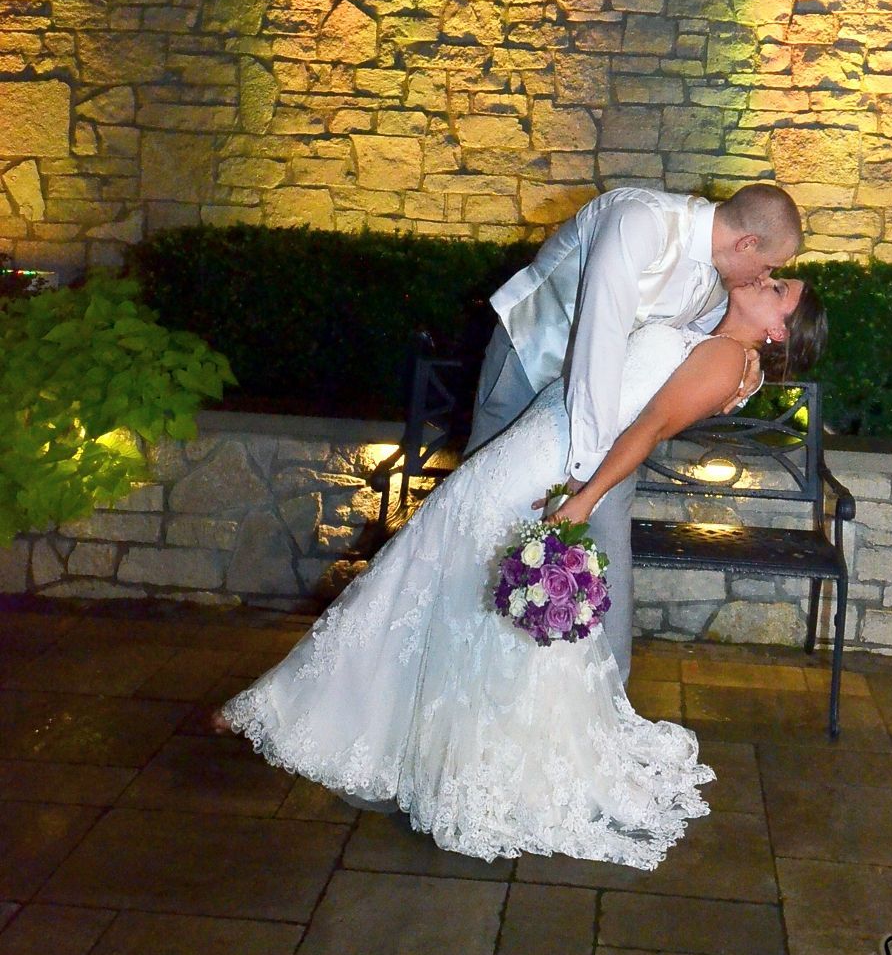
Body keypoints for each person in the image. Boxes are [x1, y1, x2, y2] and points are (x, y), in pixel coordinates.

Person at [214, 275, 827, 871]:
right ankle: (329, 714)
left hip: (546, 465)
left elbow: (647, 429)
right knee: (424, 580)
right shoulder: (714, 336)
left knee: (449, 590)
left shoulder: (724, 357)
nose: (766, 280)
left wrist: (582, 502)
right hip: (534, 446)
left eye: (779, 291)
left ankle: (445, 755)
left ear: (777, 332)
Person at [465, 183, 805, 679]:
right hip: (530, 363)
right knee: (482, 514)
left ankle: (608, 698)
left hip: (612, 415)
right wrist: (584, 467)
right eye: (770, 268)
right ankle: (468, 672)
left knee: (606, 530)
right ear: (747, 244)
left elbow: (710, 350)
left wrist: (750, 369)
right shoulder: (640, 223)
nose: (766, 276)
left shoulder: (719, 279)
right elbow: (597, 344)